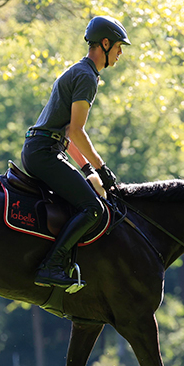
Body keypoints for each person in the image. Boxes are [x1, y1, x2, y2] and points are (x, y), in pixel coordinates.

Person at [21, 15, 129, 289]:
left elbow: (69, 132)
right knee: (93, 208)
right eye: (118, 46)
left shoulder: (81, 71)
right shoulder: (87, 76)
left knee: (85, 199)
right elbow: (78, 132)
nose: (120, 53)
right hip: (45, 152)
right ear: (105, 44)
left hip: (42, 149)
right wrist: (103, 169)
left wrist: (89, 170)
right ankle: (52, 266)